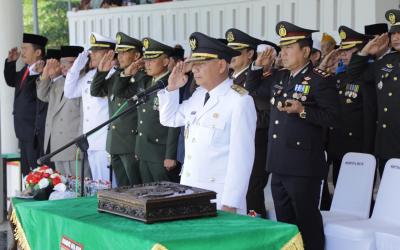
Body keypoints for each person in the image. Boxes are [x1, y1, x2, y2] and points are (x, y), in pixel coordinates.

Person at [157, 32, 257, 214]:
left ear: (220, 65)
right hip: (190, 191)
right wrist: (171, 89)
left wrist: (231, 203)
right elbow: (169, 119)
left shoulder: (239, 101)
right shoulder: (199, 95)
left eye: (201, 64)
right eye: (194, 63)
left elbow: (241, 159)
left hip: (219, 199)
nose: (194, 69)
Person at [266, 21, 339, 249]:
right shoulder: (280, 77)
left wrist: (303, 110)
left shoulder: (320, 79)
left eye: (289, 48)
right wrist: (258, 69)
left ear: (306, 51)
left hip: (303, 166)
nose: (283, 53)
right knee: (285, 226)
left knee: (307, 223)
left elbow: (333, 118)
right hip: (278, 163)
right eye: (282, 48)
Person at [115, 37, 180, 183]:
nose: (147, 64)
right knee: (147, 195)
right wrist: (127, 72)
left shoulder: (172, 83)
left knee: (164, 196)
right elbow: (120, 92)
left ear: (165, 62)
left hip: (161, 154)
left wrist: (171, 155)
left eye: (153, 59)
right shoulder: (145, 81)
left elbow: (175, 124)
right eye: (147, 59)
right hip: (144, 151)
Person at [347, 9, 400, 176]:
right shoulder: (386, 62)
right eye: (393, 33)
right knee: (389, 195)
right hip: (388, 144)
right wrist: (364, 52)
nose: (396, 37)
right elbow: (353, 75)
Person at [91, 32, 147, 186]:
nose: (120, 56)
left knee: (136, 189)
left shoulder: (142, 77)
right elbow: (96, 91)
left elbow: (120, 92)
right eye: (119, 52)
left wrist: (125, 75)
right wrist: (101, 72)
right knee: (122, 190)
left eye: (124, 52)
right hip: (115, 143)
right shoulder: (118, 76)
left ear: (136, 56)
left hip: (131, 143)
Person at [319, 26, 372, 186]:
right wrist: (323, 65)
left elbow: (370, 115)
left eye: (348, 50)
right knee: (338, 186)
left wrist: (368, 150)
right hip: (336, 145)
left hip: (357, 146)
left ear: (361, 51)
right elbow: (317, 87)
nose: (343, 54)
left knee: (358, 192)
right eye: (343, 50)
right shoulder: (340, 76)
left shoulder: (368, 76)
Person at [64, 32, 115, 181]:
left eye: (96, 51)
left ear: (109, 53)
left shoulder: (114, 75)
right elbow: (69, 92)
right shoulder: (90, 75)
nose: (91, 54)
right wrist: (75, 68)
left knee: (109, 185)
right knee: (97, 187)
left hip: (105, 141)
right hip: (91, 140)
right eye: (91, 51)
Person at [35, 45, 88, 177]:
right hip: (58, 145)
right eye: (62, 62)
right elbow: (42, 95)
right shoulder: (59, 82)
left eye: (68, 63)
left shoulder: (85, 82)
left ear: (80, 63)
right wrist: (45, 73)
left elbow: (84, 118)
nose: (64, 66)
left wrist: (80, 146)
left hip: (74, 145)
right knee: (64, 187)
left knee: (79, 187)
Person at [3, 33, 48, 176]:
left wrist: (37, 74)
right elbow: (12, 81)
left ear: (38, 52)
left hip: (34, 131)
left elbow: (40, 92)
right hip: (22, 131)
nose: (22, 52)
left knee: (36, 172)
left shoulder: (43, 70)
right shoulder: (26, 69)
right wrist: (11, 62)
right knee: (26, 172)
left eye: (26, 49)